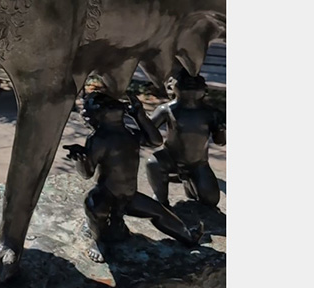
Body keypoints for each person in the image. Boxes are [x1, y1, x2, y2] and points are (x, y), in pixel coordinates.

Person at [64, 91, 203, 262]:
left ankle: (187, 237)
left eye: (113, 104)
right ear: (96, 116)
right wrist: (82, 159)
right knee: (93, 205)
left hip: (129, 195)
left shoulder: (129, 133)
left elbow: (155, 141)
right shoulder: (99, 140)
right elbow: (87, 173)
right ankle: (99, 241)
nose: (114, 107)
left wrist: (140, 115)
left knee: (160, 212)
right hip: (107, 194)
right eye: (106, 106)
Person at [144, 71, 225, 208]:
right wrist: (140, 116)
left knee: (210, 200)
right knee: (153, 163)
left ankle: (190, 182)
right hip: (170, 158)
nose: (191, 83)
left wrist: (221, 130)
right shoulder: (166, 110)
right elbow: (148, 131)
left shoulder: (211, 113)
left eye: (196, 81)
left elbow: (220, 141)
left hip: (198, 163)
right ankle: (160, 197)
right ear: (171, 87)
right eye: (184, 81)